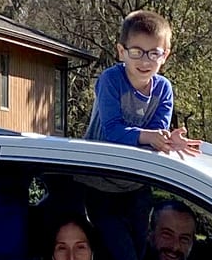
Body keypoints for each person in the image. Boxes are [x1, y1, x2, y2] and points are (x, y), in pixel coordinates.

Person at [84, 9, 198, 156]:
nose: (145, 62)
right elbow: (112, 131)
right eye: (136, 52)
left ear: (165, 56)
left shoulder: (163, 89)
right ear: (121, 52)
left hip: (136, 168)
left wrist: (166, 140)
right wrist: (149, 136)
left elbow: (156, 133)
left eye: (154, 54)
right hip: (97, 164)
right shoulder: (111, 80)